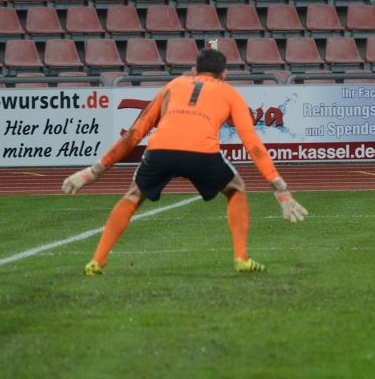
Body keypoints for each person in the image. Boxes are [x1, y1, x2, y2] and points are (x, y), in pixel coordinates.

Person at [62, 47, 308, 276]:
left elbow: (134, 134)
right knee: (235, 189)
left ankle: (97, 261)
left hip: (161, 150)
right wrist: (280, 188)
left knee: (134, 195)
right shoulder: (229, 93)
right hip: (202, 154)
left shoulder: (173, 85)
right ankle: (241, 258)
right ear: (225, 74)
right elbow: (252, 143)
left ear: (193, 70)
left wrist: (93, 172)